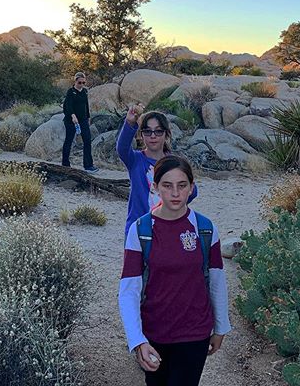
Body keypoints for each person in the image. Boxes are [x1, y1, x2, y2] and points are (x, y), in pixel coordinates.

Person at [119, 154, 230, 386]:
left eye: (182, 185)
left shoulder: (206, 229)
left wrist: (220, 327)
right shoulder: (141, 230)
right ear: (155, 187)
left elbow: (217, 281)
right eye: (167, 186)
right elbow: (129, 289)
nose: (175, 193)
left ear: (192, 187)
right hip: (154, 333)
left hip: (194, 334)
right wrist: (137, 340)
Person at [117, 104, 197, 236]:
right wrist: (130, 123)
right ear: (141, 135)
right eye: (147, 131)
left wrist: (175, 205)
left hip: (168, 228)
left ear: (166, 134)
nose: (153, 136)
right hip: (138, 228)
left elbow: (192, 191)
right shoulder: (135, 160)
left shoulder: (174, 163)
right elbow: (122, 148)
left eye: (158, 131)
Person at [62, 72, 98, 172]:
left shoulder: (85, 91)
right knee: (68, 141)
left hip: (83, 120)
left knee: (87, 141)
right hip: (71, 121)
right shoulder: (71, 92)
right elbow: (67, 106)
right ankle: (65, 164)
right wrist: (73, 116)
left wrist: (88, 117)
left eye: (83, 82)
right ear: (75, 81)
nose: (81, 84)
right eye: (79, 82)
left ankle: (88, 165)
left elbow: (86, 105)